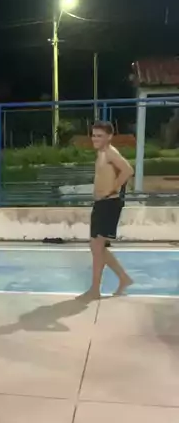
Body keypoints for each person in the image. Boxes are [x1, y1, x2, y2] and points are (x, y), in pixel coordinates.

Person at [82, 121, 134, 300]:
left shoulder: (111, 153)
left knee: (97, 247)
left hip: (109, 203)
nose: (95, 139)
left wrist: (112, 188)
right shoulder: (102, 153)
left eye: (99, 136)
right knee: (96, 247)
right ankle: (123, 278)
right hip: (101, 203)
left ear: (109, 137)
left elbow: (128, 170)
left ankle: (96, 289)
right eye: (94, 135)